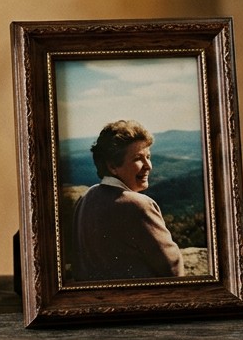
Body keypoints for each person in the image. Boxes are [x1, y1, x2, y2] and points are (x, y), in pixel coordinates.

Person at [70, 119, 184, 281]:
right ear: (112, 166)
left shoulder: (86, 198)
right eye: (138, 158)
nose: (148, 165)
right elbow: (173, 269)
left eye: (148, 157)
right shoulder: (138, 205)